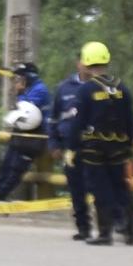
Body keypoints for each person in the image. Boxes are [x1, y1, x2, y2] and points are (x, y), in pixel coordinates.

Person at [68, 42, 133, 247]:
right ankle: (129, 231)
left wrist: (72, 147)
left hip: (94, 148)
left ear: (87, 63)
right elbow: (130, 119)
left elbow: (78, 122)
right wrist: (130, 144)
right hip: (119, 146)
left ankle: (105, 233)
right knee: (121, 186)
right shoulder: (122, 88)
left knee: (100, 188)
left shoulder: (86, 90)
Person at [0, 63, 51, 201]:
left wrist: (19, 93)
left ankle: (0, 194)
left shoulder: (40, 90)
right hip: (20, 132)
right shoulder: (29, 89)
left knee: (16, 168)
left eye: (21, 77)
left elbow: (26, 111)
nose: (18, 80)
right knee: (6, 164)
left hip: (34, 135)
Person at [48, 60, 92, 240]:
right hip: (69, 146)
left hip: (95, 145)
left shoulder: (102, 88)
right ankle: (83, 227)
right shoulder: (64, 88)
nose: (88, 67)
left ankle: (111, 224)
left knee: (99, 185)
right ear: (78, 64)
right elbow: (53, 119)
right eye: (86, 63)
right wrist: (54, 144)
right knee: (76, 188)